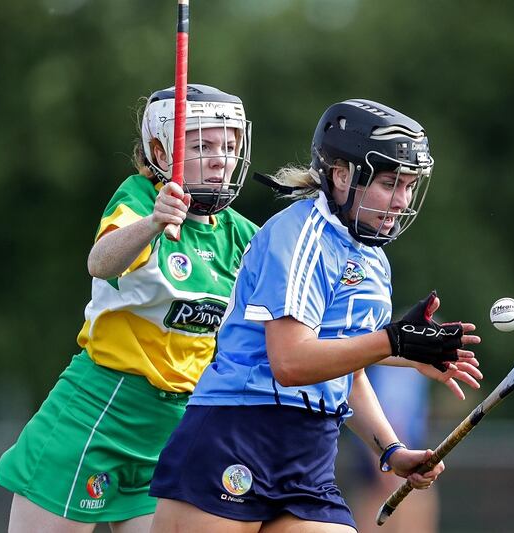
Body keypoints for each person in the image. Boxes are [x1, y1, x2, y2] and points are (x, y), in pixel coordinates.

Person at [148, 98, 483, 532]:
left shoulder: (372, 259)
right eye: (389, 183)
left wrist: (392, 451)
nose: (401, 201)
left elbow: (350, 370)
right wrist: (392, 341)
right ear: (342, 175)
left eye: (409, 186)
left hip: (310, 454)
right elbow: (290, 363)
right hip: (240, 432)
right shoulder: (300, 233)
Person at [0, 84, 258, 532]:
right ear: (160, 149)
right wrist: (154, 223)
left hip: (174, 427)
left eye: (229, 146)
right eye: (202, 145)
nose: (221, 159)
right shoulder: (140, 198)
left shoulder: (242, 235)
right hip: (99, 411)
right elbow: (100, 262)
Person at [351, 365, 439, 533]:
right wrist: (388, 464)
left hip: (398, 455)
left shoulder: (417, 368)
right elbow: (391, 415)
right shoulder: (396, 367)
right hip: (390, 457)